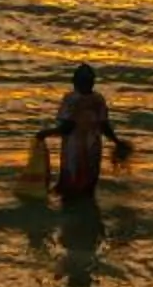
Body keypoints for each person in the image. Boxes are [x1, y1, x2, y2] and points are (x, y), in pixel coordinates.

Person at [41, 64, 129, 203]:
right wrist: (117, 142)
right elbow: (104, 126)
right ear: (92, 82)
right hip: (93, 148)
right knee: (88, 187)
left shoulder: (71, 99)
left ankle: (72, 218)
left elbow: (67, 127)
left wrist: (46, 133)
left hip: (74, 150)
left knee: (70, 188)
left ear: (74, 82)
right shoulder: (98, 99)